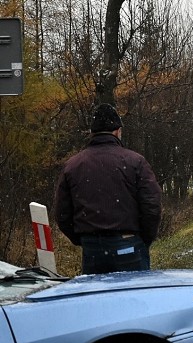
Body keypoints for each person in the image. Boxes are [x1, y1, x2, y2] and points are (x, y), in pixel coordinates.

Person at [54, 103, 162, 274]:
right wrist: (143, 239)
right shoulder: (136, 161)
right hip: (129, 244)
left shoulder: (73, 166)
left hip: (92, 249)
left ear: (92, 133)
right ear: (118, 131)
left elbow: (62, 213)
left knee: (97, 299)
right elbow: (152, 206)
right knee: (132, 297)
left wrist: (83, 239)